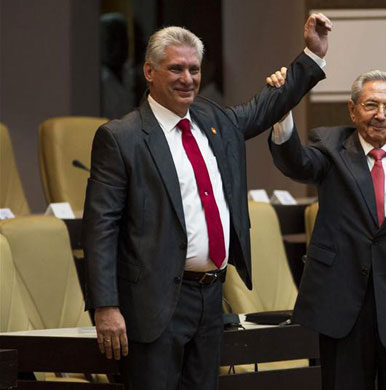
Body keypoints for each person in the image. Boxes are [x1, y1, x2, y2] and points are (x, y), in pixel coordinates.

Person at [82, 14, 332, 390]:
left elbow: (263, 107)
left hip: (211, 297)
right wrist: (106, 306)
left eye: (194, 69)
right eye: (176, 69)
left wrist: (311, 55)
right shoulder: (122, 137)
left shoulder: (212, 119)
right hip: (155, 304)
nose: (188, 79)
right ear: (149, 72)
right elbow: (100, 227)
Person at [267, 69, 386, 390]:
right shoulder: (330, 147)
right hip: (343, 306)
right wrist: (282, 109)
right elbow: (296, 163)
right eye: (371, 105)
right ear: (352, 109)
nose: (380, 115)